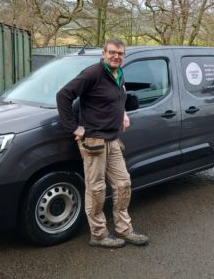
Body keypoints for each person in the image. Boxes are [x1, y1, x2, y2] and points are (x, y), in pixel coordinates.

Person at [56, 38, 149, 248]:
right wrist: (74, 127)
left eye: (120, 53)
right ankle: (98, 235)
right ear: (104, 53)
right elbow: (63, 96)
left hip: (113, 139)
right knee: (97, 189)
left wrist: (122, 114)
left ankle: (124, 230)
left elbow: (118, 98)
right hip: (94, 141)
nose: (116, 56)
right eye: (112, 53)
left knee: (123, 183)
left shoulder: (119, 73)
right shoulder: (92, 74)